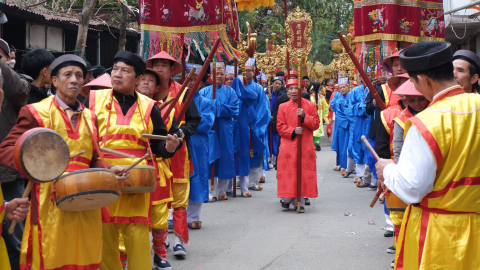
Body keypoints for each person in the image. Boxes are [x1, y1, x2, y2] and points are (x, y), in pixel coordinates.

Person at [0, 54, 128, 270]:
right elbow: (6, 149)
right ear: (54, 80)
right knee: (52, 259)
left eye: (79, 75)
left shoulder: (91, 117)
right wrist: (36, 165)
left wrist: (108, 169)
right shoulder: (35, 112)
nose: (74, 80)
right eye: (67, 74)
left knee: (87, 258)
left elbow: (94, 159)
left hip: (88, 200)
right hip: (50, 202)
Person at [376, 40, 480, 270]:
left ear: (422, 79)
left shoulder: (427, 123)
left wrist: (388, 170)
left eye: (413, 81)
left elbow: (413, 188)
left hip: (439, 234)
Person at [83, 50, 181, 270]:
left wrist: (168, 146)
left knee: (137, 239)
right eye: (115, 69)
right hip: (103, 178)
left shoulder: (149, 106)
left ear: (137, 79)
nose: (117, 74)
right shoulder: (93, 100)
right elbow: (82, 139)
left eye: (125, 71)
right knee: (105, 239)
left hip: (136, 181)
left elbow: (157, 145)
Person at [147, 51, 200, 258]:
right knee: (156, 201)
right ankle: (161, 241)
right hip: (153, 156)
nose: (159, 69)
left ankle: (179, 241)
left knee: (179, 201)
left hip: (177, 154)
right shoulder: (145, 93)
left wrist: (181, 133)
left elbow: (195, 120)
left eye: (163, 65)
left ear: (171, 70)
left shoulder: (183, 92)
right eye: (156, 65)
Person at [137, 67, 179, 269]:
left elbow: (175, 134)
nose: (145, 82)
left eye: (150, 80)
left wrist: (173, 142)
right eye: (142, 78)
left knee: (160, 217)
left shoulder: (162, 109)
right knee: (132, 217)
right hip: (131, 169)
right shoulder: (125, 106)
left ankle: (160, 254)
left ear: (156, 87)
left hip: (157, 169)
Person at [0, 38, 33, 270]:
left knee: (15, 238)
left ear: (9, 60)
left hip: (9, 176)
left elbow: (19, 92)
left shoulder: (21, 82)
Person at [277, 79, 319, 212]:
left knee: (303, 172)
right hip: (288, 146)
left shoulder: (310, 105)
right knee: (289, 171)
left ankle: (299, 200)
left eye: (296, 88)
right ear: (287, 91)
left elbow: (316, 124)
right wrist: (293, 131)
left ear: (301, 90)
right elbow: (279, 127)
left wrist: (305, 116)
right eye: (290, 88)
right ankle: (286, 199)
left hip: (305, 145)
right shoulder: (282, 107)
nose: (293, 91)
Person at [199, 63, 239, 202]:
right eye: (217, 73)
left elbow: (235, 109)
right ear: (211, 75)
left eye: (222, 74)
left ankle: (222, 190)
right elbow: (199, 110)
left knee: (225, 157)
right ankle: (211, 191)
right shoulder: (204, 92)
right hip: (209, 128)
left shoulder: (231, 92)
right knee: (210, 156)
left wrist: (219, 107)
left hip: (224, 128)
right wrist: (211, 109)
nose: (220, 76)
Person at [235, 58, 270, 195]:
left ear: (254, 72)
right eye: (244, 70)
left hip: (255, 127)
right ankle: (241, 179)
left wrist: (256, 126)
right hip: (241, 126)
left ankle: (253, 181)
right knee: (240, 152)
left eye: (249, 70)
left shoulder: (258, 89)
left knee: (255, 154)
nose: (247, 73)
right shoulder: (237, 86)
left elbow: (263, 109)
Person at [345, 72, 373, 186]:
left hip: (371, 121)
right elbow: (348, 107)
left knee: (370, 145)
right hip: (358, 122)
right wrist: (360, 108)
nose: (366, 77)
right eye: (363, 75)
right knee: (356, 145)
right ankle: (360, 174)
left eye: (369, 75)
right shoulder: (354, 91)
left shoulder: (375, 90)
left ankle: (371, 175)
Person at [330, 78, 351, 172]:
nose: (342, 89)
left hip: (353, 124)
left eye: (344, 87)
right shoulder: (338, 99)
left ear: (348, 87)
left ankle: (351, 165)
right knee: (342, 144)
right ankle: (343, 164)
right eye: (340, 87)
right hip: (343, 125)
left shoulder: (352, 97)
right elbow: (337, 112)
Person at [268, 76, 286, 165]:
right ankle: (268, 158)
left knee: (275, 139)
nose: (278, 85)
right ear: (272, 83)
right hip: (266, 120)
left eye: (280, 84)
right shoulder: (266, 93)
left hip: (275, 120)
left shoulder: (282, 96)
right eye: (276, 83)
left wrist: (274, 117)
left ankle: (275, 159)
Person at [309, 83, 329, 151]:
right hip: (319, 113)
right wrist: (325, 115)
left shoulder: (310, 97)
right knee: (318, 127)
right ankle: (317, 142)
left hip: (311, 113)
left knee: (311, 127)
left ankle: (312, 144)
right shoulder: (322, 97)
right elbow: (326, 106)